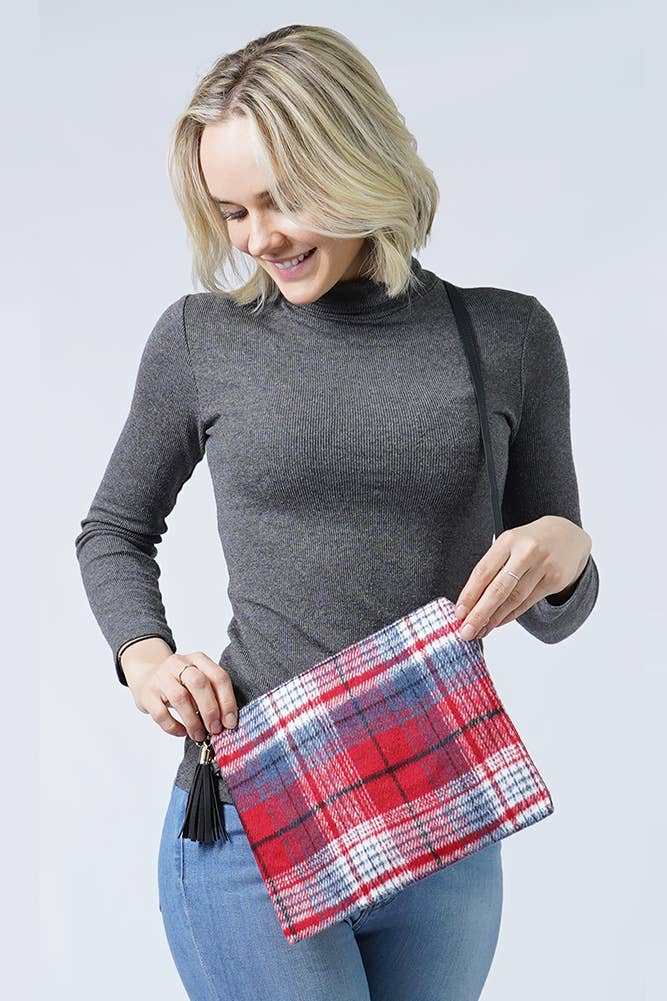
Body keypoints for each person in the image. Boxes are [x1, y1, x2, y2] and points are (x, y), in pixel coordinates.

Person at [74, 23, 599, 1001]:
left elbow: (552, 605)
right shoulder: (201, 340)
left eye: (282, 197)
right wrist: (146, 657)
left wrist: (565, 550)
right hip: (250, 818)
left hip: (441, 815)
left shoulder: (507, 336)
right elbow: (114, 529)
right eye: (231, 211)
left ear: (357, 160)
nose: (257, 237)